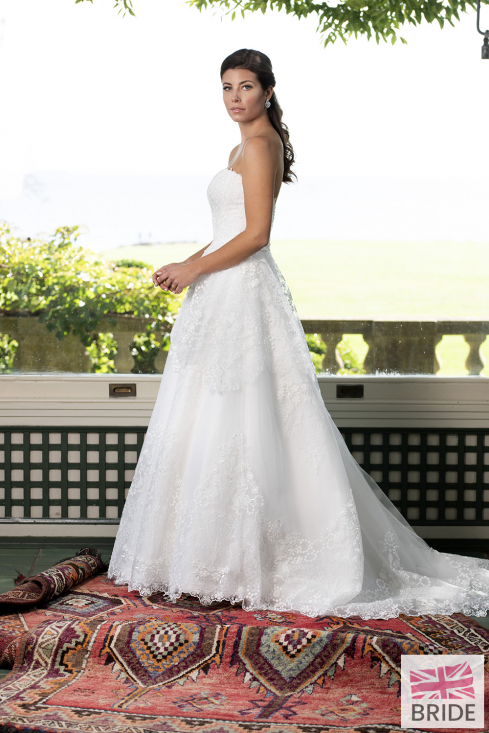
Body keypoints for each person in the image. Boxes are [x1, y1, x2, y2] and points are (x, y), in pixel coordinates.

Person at [108, 48, 489, 619]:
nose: (235, 97)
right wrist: (189, 265)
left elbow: (257, 235)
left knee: (250, 416)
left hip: (243, 292)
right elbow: (229, 230)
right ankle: (206, 559)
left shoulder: (261, 145)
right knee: (213, 415)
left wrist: (195, 270)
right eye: (226, 87)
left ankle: (257, 561)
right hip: (221, 290)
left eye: (245, 86)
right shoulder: (240, 147)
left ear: (267, 90)